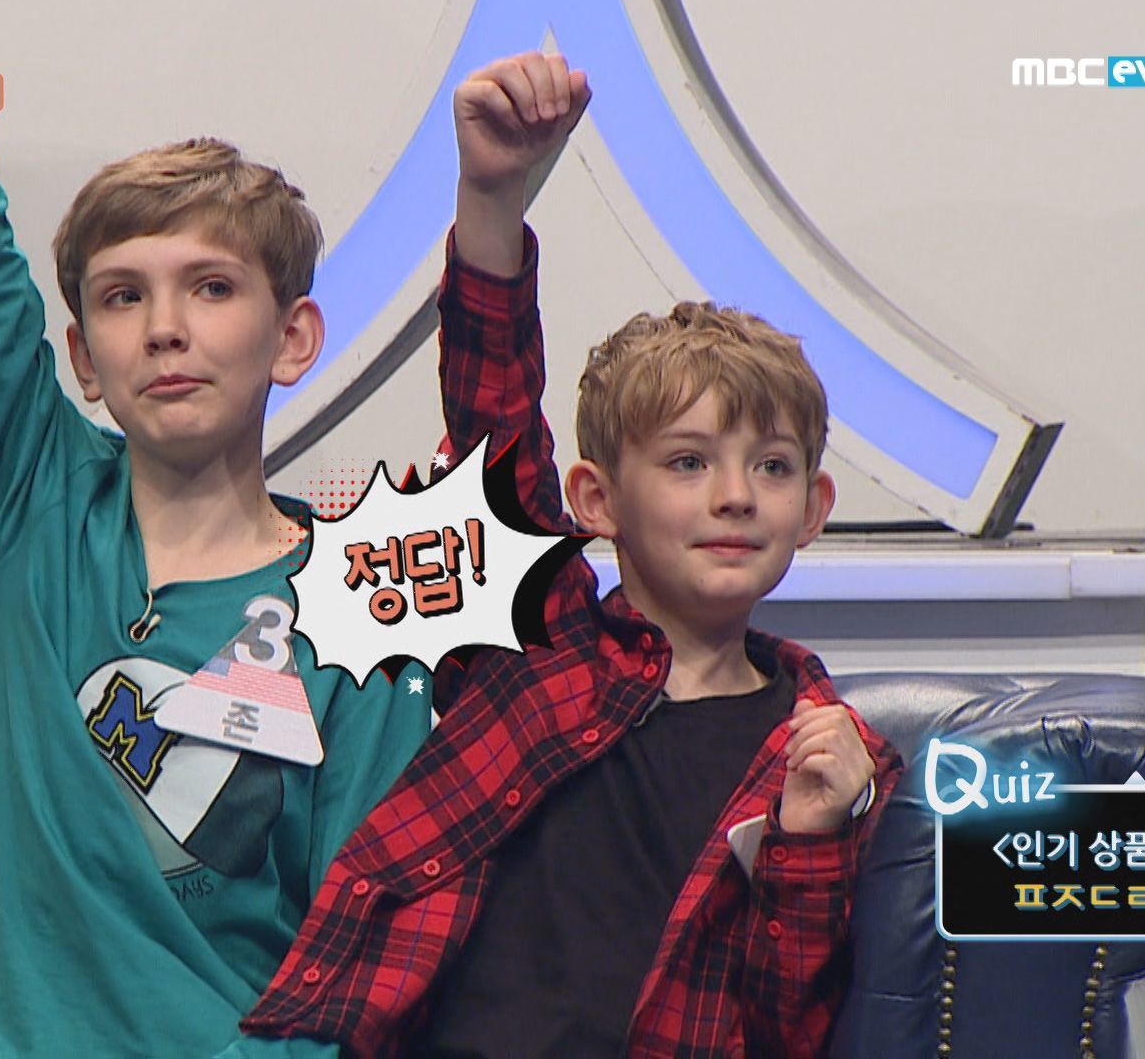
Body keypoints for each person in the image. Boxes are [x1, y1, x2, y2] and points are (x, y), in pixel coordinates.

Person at [242, 53, 904, 1057]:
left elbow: (790, 1025)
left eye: (771, 467)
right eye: (688, 462)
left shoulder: (825, 748)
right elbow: (493, 409)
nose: (734, 495)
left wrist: (813, 838)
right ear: (596, 502)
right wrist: (492, 196)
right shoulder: (538, 640)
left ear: (813, 509)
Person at [0, 0, 431, 1056]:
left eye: (211, 288)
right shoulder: (45, 502)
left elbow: (355, 967)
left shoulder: (361, 613)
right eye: (123, 296)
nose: (165, 329)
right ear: (83, 359)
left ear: (293, 337)